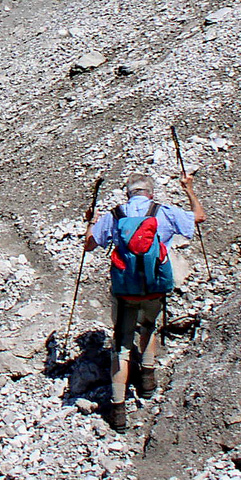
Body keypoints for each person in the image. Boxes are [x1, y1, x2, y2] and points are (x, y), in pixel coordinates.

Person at [84, 172, 206, 430]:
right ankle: (148, 383)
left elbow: (89, 245)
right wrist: (189, 189)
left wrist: (90, 224)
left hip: (124, 290)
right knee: (149, 325)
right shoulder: (163, 211)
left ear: (127, 193)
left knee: (121, 342)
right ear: (150, 192)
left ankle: (118, 410)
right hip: (153, 287)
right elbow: (199, 218)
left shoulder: (115, 215)